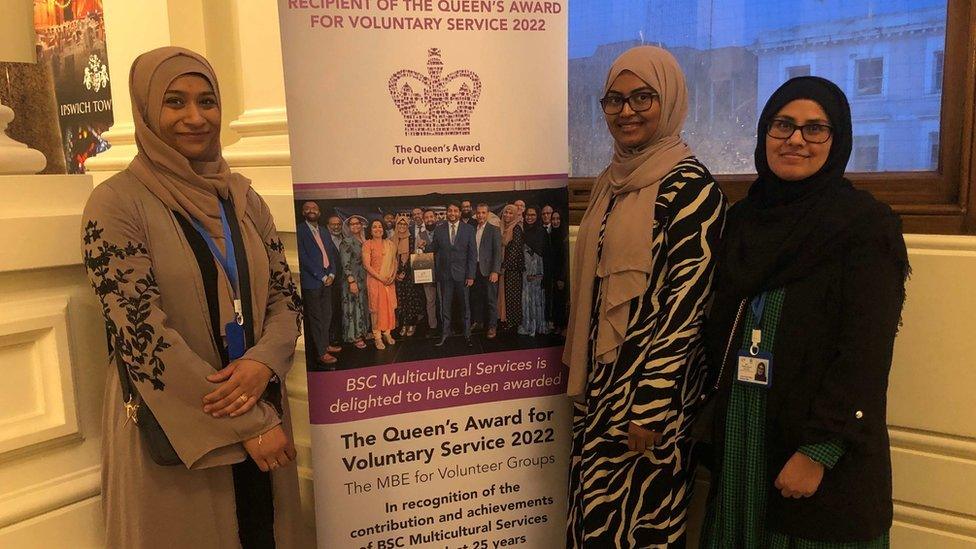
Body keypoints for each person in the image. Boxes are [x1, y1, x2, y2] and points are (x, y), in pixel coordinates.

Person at [79, 46, 308, 548]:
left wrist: (264, 364)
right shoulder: (116, 204)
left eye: (208, 102)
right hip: (179, 428)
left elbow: (284, 296)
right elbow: (140, 334)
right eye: (175, 102)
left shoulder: (243, 198)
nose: (195, 117)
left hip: (259, 404)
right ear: (145, 111)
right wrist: (245, 419)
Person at [699, 76, 909, 548]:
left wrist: (818, 451)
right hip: (744, 440)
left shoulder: (865, 227)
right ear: (764, 134)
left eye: (816, 129)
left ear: (837, 142)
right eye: (783, 125)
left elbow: (865, 354)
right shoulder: (742, 222)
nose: (796, 139)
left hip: (821, 450)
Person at [564, 45, 726, 548]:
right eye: (614, 99)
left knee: (639, 527)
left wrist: (651, 406)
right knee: (593, 521)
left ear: (671, 100)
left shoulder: (692, 189)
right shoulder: (612, 182)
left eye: (642, 97)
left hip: (648, 401)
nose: (626, 111)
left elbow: (685, 308)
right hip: (602, 391)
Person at [425, 201, 477, 347]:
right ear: (446, 213)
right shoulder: (439, 229)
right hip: (445, 276)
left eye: (455, 211)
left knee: (465, 307)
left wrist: (471, 275)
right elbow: (433, 248)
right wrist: (424, 247)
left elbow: (473, 254)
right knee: (445, 307)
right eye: (450, 211)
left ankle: (467, 334)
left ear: (459, 213)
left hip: (463, 276)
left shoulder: (469, 229)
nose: (452, 213)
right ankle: (445, 334)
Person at [298, 201, 342, 365]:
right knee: (316, 318)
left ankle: (325, 344)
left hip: (328, 280)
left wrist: (331, 273)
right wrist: (322, 276)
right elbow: (303, 257)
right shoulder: (300, 231)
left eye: (314, 208)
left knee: (327, 315)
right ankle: (322, 352)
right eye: (307, 208)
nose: (311, 210)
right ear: (303, 212)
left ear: (319, 212)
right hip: (313, 282)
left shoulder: (324, 231)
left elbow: (330, 254)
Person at [363, 219, 398, 349]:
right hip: (375, 281)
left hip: (389, 281)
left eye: (380, 227)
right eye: (374, 227)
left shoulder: (390, 244)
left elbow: (394, 262)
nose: (378, 229)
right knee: (376, 309)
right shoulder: (368, 244)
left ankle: (387, 333)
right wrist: (380, 278)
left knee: (389, 307)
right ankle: (377, 337)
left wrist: (393, 276)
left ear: (383, 229)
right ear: (370, 230)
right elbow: (366, 265)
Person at [471, 203, 503, 338]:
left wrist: (495, 271)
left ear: (488, 214)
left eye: (483, 213)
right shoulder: (472, 229)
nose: (480, 215)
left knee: (491, 299)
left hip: (489, 270)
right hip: (475, 269)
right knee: (477, 297)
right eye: (478, 213)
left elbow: (497, 252)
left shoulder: (494, 229)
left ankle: (492, 326)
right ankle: (478, 322)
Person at [340, 215, 371, 349]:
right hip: (351, 280)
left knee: (362, 306)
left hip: (363, 279)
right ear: (348, 227)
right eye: (352, 224)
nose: (355, 226)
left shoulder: (363, 239)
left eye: (357, 223)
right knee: (353, 308)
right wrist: (351, 282)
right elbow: (345, 264)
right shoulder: (346, 241)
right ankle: (355, 336)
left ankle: (363, 331)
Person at [392, 217, 424, 337]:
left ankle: (412, 324)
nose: (402, 226)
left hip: (410, 274)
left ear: (407, 226)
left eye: (404, 224)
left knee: (411, 300)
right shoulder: (392, 240)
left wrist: (404, 272)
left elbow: (417, 255)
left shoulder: (413, 238)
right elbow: (390, 258)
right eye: (399, 224)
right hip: (396, 275)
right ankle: (404, 324)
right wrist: (396, 274)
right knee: (401, 300)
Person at [519, 205, 548, 336]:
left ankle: (537, 326)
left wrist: (536, 271)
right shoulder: (523, 231)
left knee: (537, 298)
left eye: (533, 215)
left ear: (537, 217)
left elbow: (545, 252)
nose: (530, 217)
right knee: (527, 298)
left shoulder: (542, 232)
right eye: (528, 215)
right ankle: (528, 325)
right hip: (525, 270)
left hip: (537, 268)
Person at [497, 204, 525, 333]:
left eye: (510, 213)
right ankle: (506, 319)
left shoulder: (516, 228)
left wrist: (504, 266)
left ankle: (513, 322)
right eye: (505, 213)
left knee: (512, 296)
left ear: (515, 215)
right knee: (505, 295)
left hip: (512, 268)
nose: (507, 215)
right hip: (504, 267)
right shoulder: (503, 228)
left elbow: (515, 250)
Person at [326, 214, 345, 348]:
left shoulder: (345, 240)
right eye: (333, 224)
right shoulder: (324, 241)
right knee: (332, 309)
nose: (336, 226)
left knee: (343, 309)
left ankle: (342, 334)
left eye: (338, 224)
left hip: (345, 281)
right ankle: (332, 337)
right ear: (328, 226)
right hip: (331, 282)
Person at [549, 209, 569, 333]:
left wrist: (562, 278)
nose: (555, 221)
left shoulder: (565, 236)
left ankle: (564, 327)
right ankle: (557, 326)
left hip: (562, 276)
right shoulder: (551, 235)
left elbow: (566, 259)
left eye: (558, 219)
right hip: (553, 275)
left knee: (562, 301)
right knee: (555, 301)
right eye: (553, 219)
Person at [420, 209, 439, 332]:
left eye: (431, 216)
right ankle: (433, 326)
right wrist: (419, 248)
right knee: (430, 300)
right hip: (427, 273)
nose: (429, 219)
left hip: (443, 271)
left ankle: (445, 325)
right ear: (423, 220)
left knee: (443, 300)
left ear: (436, 217)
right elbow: (417, 256)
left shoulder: (443, 232)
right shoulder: (420, 235)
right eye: (426, 217)